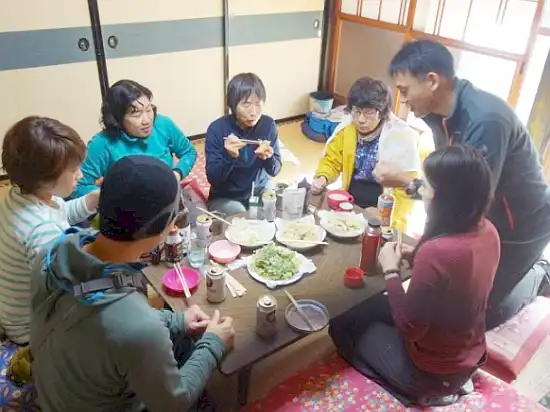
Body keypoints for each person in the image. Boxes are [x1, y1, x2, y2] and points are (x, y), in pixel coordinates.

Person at [30, 155, 235, 411]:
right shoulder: (137, 326)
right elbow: (173, 403)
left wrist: (176, 320)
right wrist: (213, 344)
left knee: (182, 337)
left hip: (57, 389)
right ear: (163, 228)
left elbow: (100, 322)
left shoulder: (52, 252)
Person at [374, 39, 550, 329]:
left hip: (521, 224)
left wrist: (406, 180)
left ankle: (539, 273)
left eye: (404, 91)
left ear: (432, 81)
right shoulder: (437, 115)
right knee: (445, 298)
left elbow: (464, 203)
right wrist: (422, 250)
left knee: (478, 315)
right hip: (482, 217)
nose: (402, 100)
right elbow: (448, 187)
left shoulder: (486, 121)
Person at [330, 145, 500, 407]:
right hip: (466, 355)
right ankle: (439, 383)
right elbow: (455, 281)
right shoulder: (488, 231)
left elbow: (410, 327)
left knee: (340, 327)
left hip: (431, 372)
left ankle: (414, 392)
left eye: (427, 186)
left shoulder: (438, 252)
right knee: (355, 307)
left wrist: (391, 270)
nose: (420, 191)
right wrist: (418, 256)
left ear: (446, 198)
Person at [0, 116, 99, 344]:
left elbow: (61, 212)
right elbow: (66, 287)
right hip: (31, 329)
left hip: (16, 308)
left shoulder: (22, 193)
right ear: (46, 178)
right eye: (73, 170)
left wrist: (92, 200)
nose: (80, 175)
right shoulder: (42, 230)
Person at [311, 77, 420, 231]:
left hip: (386, 211)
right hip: (350, 202)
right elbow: (331, 160)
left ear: (383, 113)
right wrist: (323, 177)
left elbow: (407, 192)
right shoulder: (347, 130)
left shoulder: (400, 137)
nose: (361, 120)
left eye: (368, 113)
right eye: (356, 111)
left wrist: (381, 213)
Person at [71, 79, 197, 199]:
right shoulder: (101, 143)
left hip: (168, 196)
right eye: (136, 114)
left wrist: (176, 174)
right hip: (125, 207)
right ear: (117, 118)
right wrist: (111, 196)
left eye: (149, 109)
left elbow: (188, 152)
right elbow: (78, 187)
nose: (147, 120)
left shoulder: (163, 124)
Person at [205, 73, 282, 216]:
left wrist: (268, 158)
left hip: (258, 189)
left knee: (271, 210)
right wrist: (229, 157)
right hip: (226, 196)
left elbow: (275, 170)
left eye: (258, 104)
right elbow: (214, 179)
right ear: (233, 105)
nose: (253, 112)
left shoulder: (268, 125)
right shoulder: (217, 129)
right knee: (242, 217)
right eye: (246, 104)